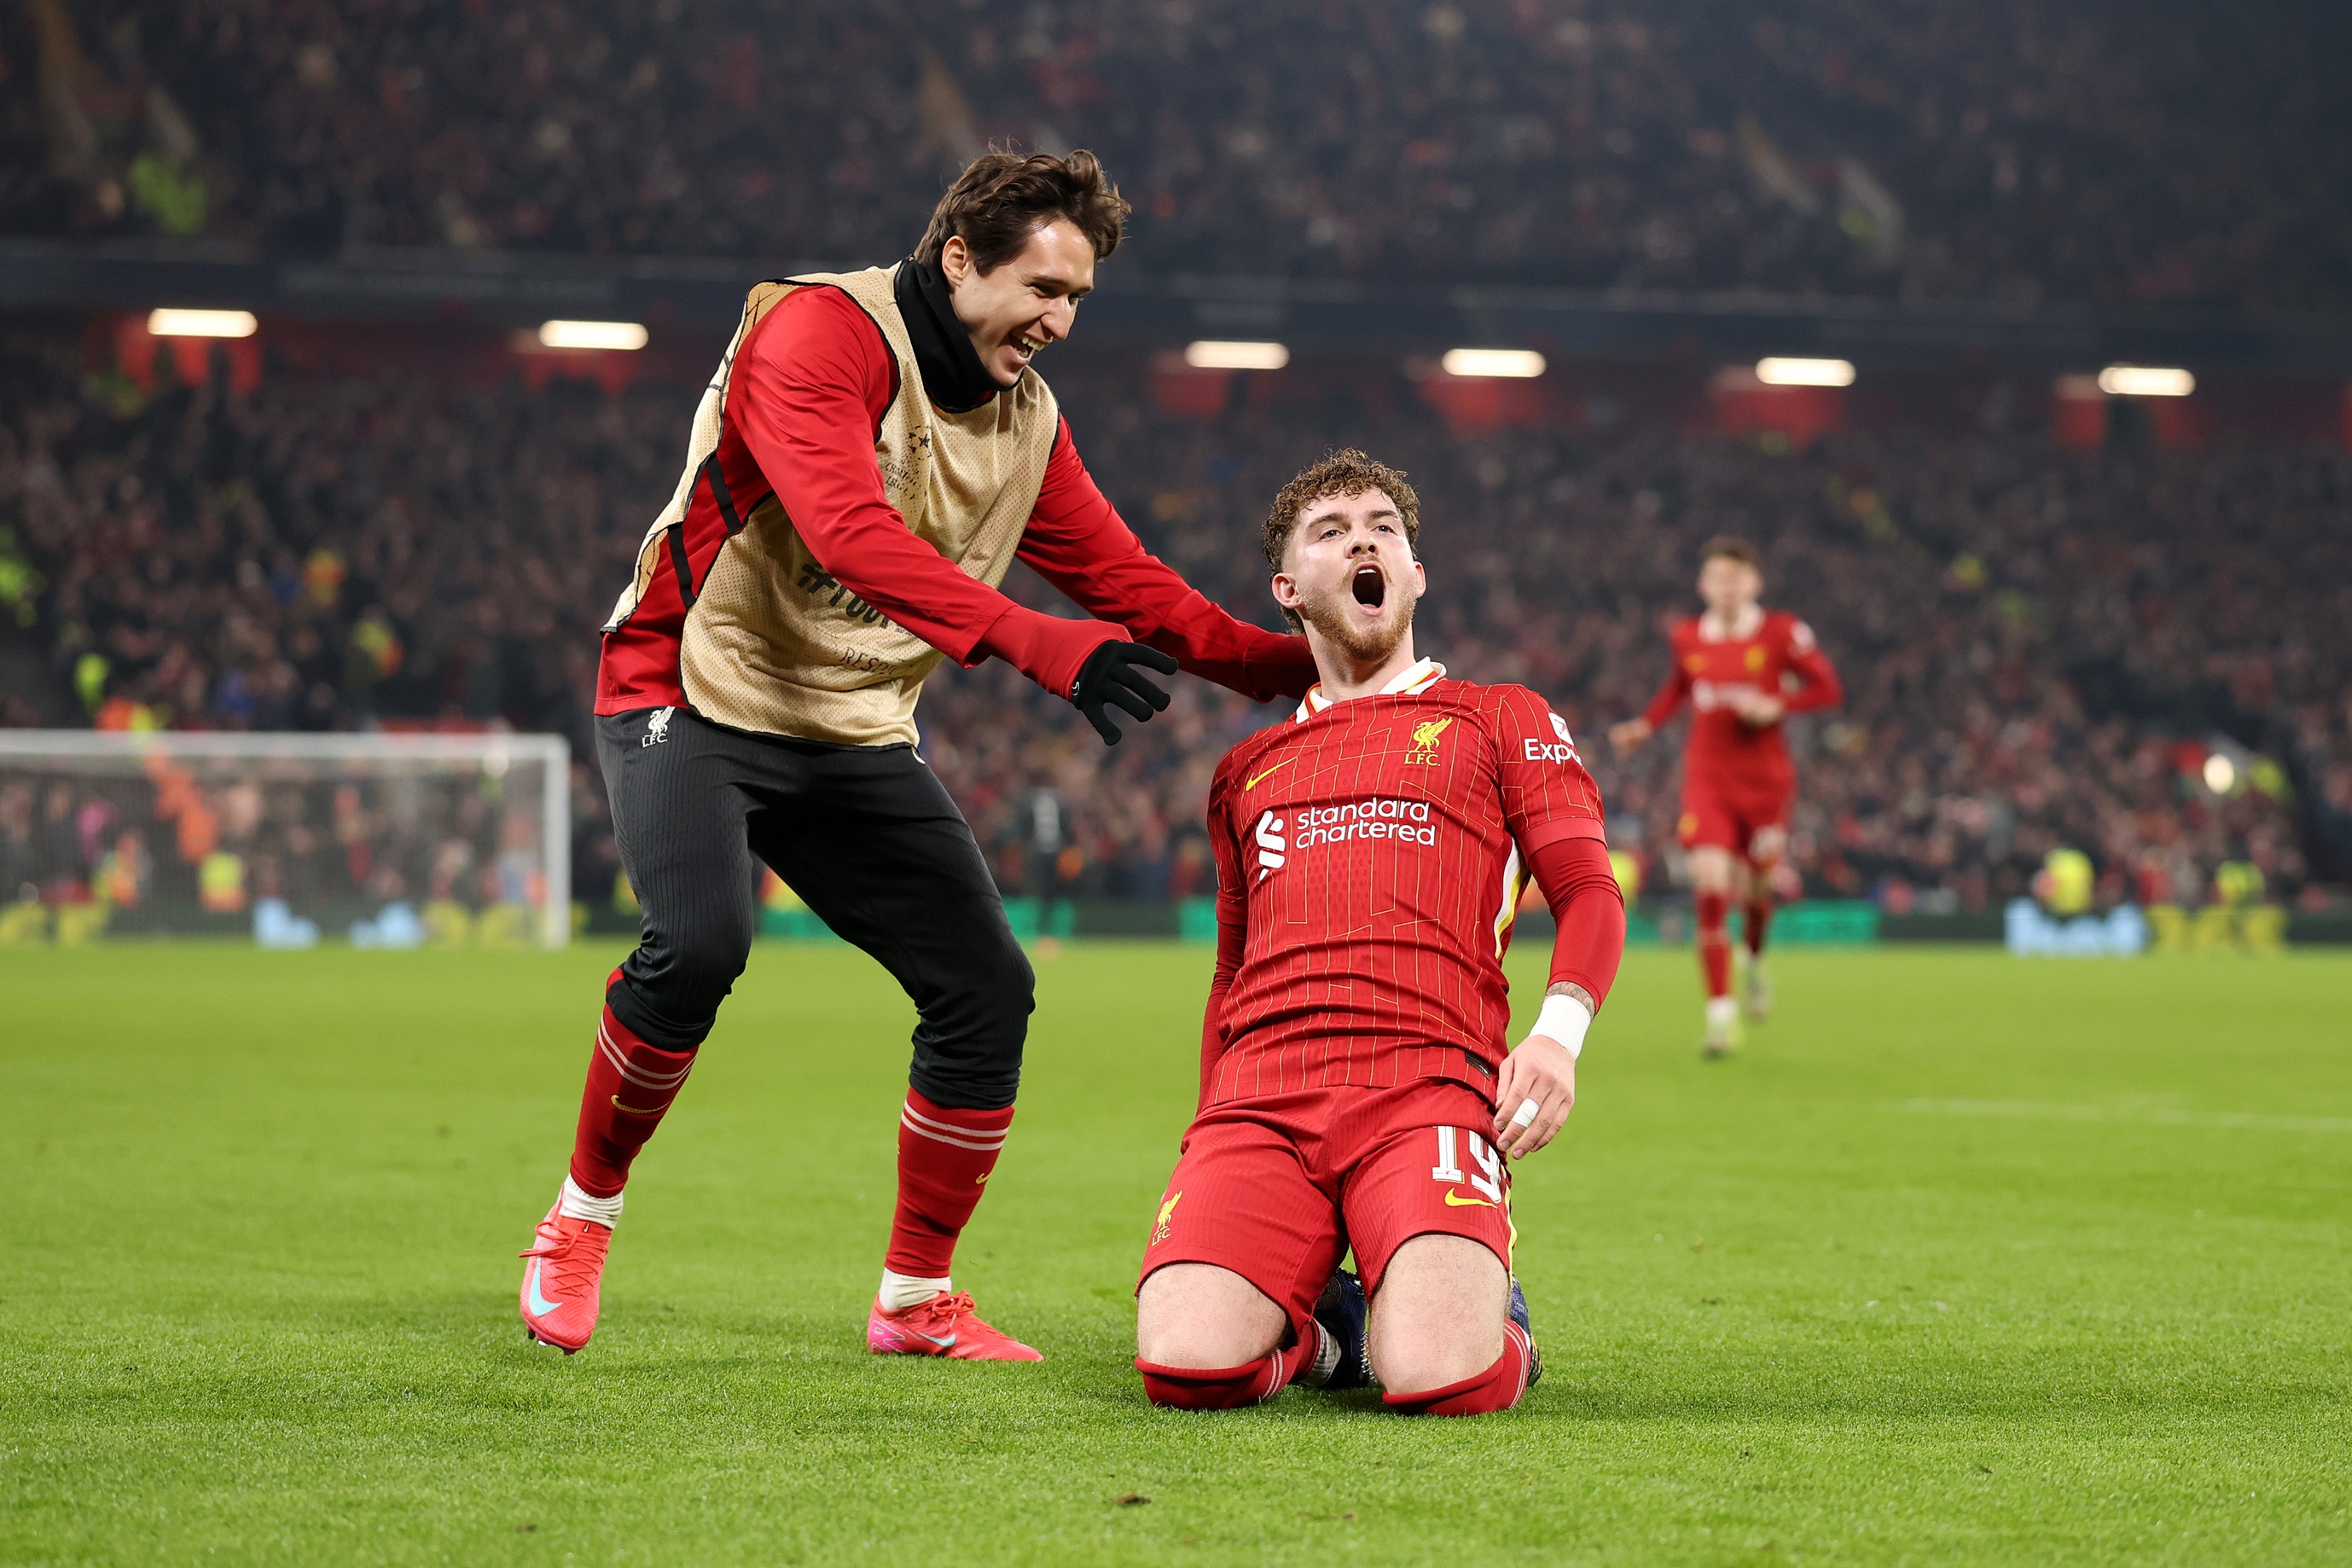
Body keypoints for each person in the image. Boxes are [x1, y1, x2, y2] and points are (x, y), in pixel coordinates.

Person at [519, 151, 1317, 1359]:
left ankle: (913, 1298)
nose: (1058, 321)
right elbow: (848, 532)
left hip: (846, 725)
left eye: (1078, 301)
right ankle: (578, 1219)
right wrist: (1045, 647)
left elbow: (1128, 583)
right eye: (1042, 287)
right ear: (958, 258)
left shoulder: (1023, 421)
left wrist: (1296, 666)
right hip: (687, 683)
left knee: (987, 985)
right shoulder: (818, 335)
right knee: (699, 944)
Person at [1132, 451, 1627, 1416]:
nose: (1363, 538)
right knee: (1186, 1366)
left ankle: (1498, 1315)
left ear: (1415, 572)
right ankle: (1333, 1337)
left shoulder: (1497, 718)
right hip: (1263, 1098)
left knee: (1445, 1377)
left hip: (1428, 1085)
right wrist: (1205, 1127)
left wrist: (1559, 1036)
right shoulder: (1246, 768)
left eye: (1383, 528)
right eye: (1331, 530)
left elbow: (1588, 889)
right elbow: (1230, 975)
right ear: (1289, 590)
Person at [1608, 537, 1841, 1055]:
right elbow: (1678, 687)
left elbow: (1827, 688)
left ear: (1753, 583)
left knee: (1757, 892)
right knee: (1711, 890)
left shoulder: (1782, 633)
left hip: (1765, 787)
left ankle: (1754, 959)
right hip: (1707, 781)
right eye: (1717, 578)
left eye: (1736, 578)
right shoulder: (1688, 636)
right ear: (1703, 585)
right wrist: (1645, 726)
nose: (1727, 588)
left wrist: (1777, 702)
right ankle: (1720, 1015)